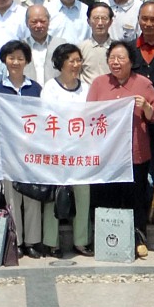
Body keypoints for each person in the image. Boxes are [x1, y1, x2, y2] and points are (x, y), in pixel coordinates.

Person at [87, 41, 154, 259]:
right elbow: (89, 115)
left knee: (135, 199)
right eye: (112, 58)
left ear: (131, 61)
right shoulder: (99, 83)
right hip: (106, 154)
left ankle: (138, 238)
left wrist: (146, 107)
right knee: (106, 197)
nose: (116, 62)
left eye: (121, 58)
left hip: (135, 152)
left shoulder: (144, 83)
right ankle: (105, 238)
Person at [0, 40, 45, 258]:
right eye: (11, 58)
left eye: (20, 58)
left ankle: (32, 241)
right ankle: (17, 240)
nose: (15, 62)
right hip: (9, 152)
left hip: (32, 151)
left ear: (27, 61)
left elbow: (44, 119)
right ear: (5, 60)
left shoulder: (35, 88)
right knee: (12, 199)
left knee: (32, 197)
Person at [40, 44, 93, 257]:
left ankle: (81, 240)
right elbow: (46, 118)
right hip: (56, 151)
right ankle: (51, 242)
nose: (76, 64)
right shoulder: (50, 88)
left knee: (83, 194)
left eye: (78, 60)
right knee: (54, 196)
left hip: (80, 151)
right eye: (71, 60)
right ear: (60, 63)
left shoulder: (86, 88)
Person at [22, 4, 68, 85]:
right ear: (26, 23)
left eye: (43, 21)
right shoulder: (20, 47)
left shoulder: (62, 45)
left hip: (56, 92)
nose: (39, 25)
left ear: (49, 22)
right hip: (29, 94)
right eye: (34, 22)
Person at [79, 2, 115, 85]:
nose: (100, 23)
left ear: (110, 22)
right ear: (88, 21)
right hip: (87, 95)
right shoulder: (80, 49)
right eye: (96, 18)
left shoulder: (118, 49)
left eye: (104, 18)